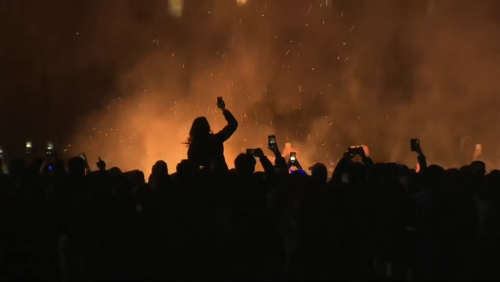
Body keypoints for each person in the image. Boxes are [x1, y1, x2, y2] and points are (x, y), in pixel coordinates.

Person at [186, 98, 238, 172]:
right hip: (223, 179)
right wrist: (223, 109)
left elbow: (194, 171)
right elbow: (233, 124)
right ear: (207, 128)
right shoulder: (216, 140)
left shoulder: (193, 150)